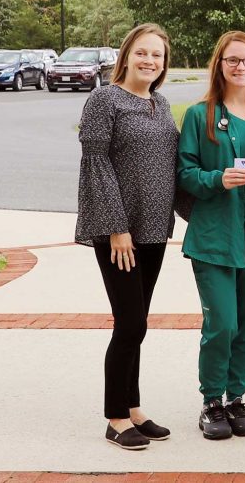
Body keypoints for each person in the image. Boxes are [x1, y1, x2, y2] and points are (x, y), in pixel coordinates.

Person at [75, 23, 179, 451]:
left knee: (139, 323)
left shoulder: (161, 102)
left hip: (154, 231)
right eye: (142, 53)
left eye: (156, 55)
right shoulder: (104, 99)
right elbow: (95, 165)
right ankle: (116, 418)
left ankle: (133, 407)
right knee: (129, 322)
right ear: (126, 55)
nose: (149, 61)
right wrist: (117, 229)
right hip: (119, 232)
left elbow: (170, 164)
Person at [177, 31, 245, 440]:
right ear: (219, 64)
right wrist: (216, 178)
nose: (241, 67)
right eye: (233, 60)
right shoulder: (199, 115)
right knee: (221, 322)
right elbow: (184, 173)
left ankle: (236, 398)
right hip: (214, 230)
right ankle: (211, 401)